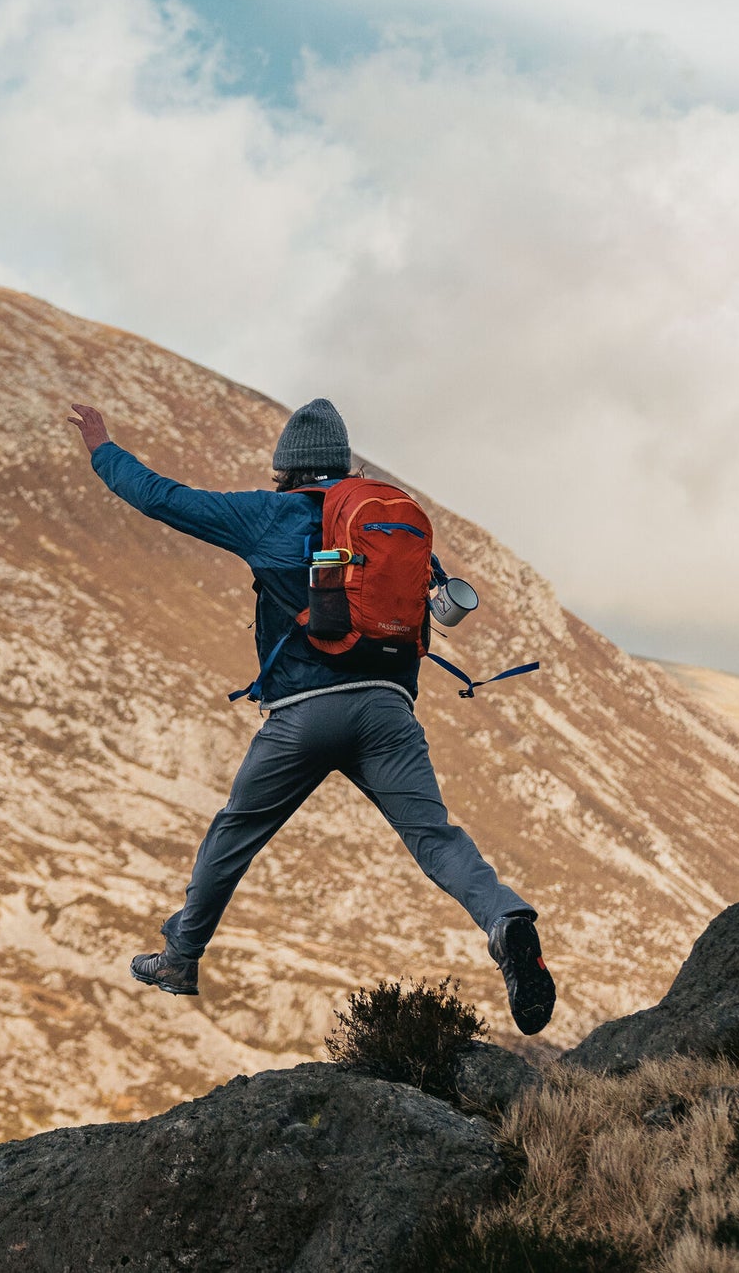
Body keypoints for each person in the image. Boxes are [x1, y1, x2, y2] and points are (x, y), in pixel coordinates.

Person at [66, 394, 556, 1035]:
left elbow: (164, 498)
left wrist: (103, 450)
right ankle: (505, 920)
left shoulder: (270, 514)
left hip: (304, 714)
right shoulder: (383, 522)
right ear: (342, 466)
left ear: (287, 468)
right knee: (435, 838)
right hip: (388, 711)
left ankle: (180, 958)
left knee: (234, 834)